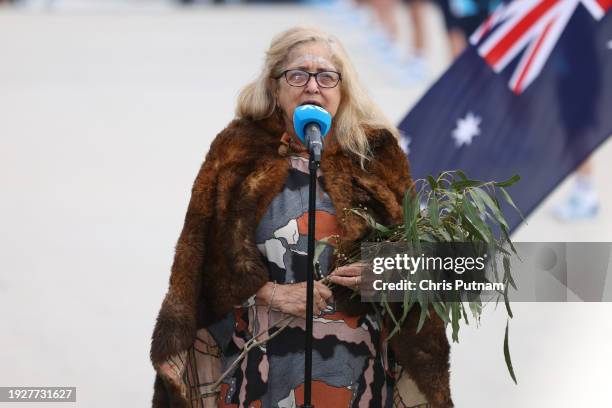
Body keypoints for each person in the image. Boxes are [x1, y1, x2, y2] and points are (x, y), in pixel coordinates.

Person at [150, 26, 452, 408]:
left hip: (360, 374)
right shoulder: (236, 150)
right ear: (275, 87)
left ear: (343, 90)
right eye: (298, 75)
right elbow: (196, 260)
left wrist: (385, 272)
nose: (313, 86)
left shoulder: (377, 154)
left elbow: (430, 263)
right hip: (258, 373)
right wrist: (270, 292)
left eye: (326, 76)